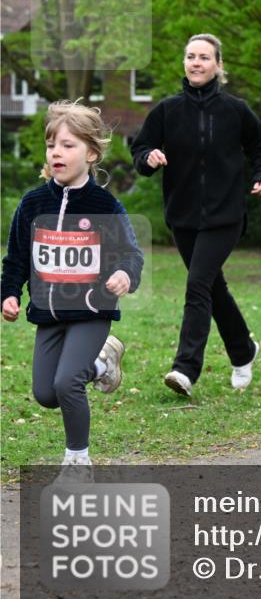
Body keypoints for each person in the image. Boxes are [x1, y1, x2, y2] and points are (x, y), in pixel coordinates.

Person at [2, 100, 143, 470]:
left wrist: (125, 275)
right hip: (48, 312)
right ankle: (100, 364)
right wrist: (10, 293)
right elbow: (16, 257)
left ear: (91, 153)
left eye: (68, 145)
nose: (57, 152)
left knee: (67, 384)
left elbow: (131, 254)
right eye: (52, 145)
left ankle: (78, 461)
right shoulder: (32, 204)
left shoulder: (105, 205)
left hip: (92, 311)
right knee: (46, 393)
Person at [131, 33, 261, 398]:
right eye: (191, 56)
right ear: (185, 63)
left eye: (204, 57)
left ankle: (185, 368)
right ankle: (243, 350)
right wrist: (148, 158)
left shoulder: (236, 110)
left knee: (197, 285)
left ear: (218, 65)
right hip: (183, 217)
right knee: (212, 287)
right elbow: (140, 149)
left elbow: (260, 147)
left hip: (225, 215)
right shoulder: (167, 110)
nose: (196, 62)